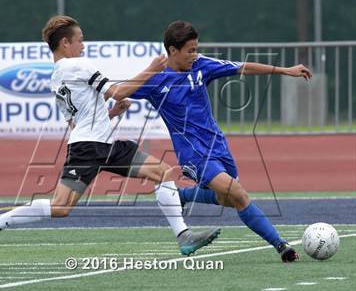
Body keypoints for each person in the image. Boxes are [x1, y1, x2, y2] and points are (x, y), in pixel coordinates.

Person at [0, 16, 221, 260]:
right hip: (89, 148)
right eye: (80, 40)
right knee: (60, 207)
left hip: (100, 144)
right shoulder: (79, 65)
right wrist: (151, 70)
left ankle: (183, 236)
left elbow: (77, 121)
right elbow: (119, 92)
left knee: (163, 172)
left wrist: (111, 113)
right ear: (65, 43)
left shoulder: (56, 77)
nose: (83, 45)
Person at [129, 20, 313, 262]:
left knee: (226, 198)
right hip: (193, 155)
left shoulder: (202, 66)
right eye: (190, 50)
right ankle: (281, 246)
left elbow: (243, 67)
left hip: (218, 147)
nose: (195, 55)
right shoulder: (156, 80)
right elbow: (119, 91)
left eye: (196, 49)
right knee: (238, 194)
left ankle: (182, 196)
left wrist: (284, 70)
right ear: (173, 50)